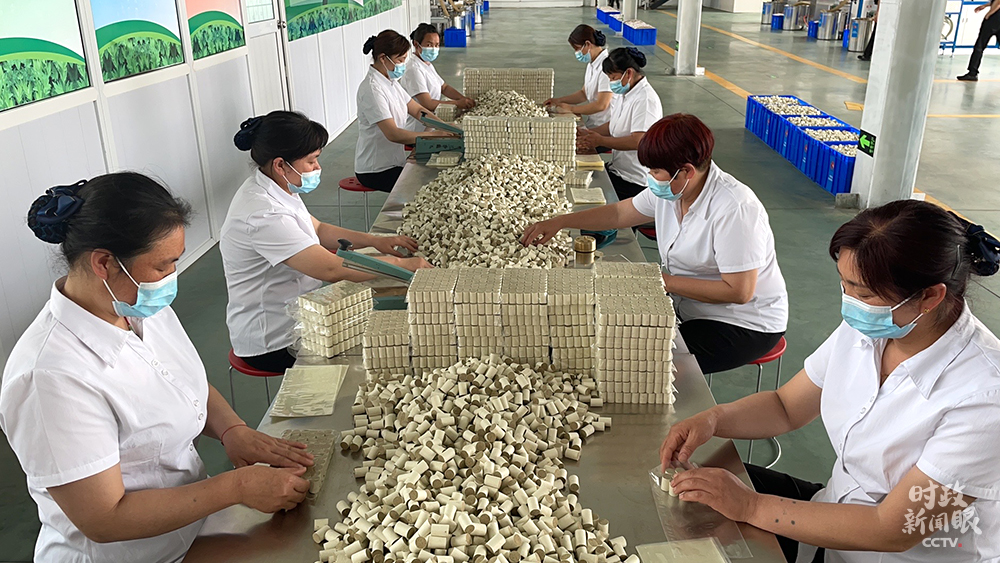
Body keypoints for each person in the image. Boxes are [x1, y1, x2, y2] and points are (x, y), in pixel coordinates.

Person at [660, 200, 1000, 563]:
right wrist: (714, 419)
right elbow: (786, 406)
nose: (850, 303)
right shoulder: (872, 328)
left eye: (863, 294)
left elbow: (894, 528)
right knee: (686, 492)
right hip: (835, 508)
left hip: (896, 552)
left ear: (930, 296)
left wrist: (750, 506)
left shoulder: (984, 396)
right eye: (844, 285)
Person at [1, 174, 315, 562]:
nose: (170, 279)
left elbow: (184, 383)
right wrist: (235, 487)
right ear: (104, 263)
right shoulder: (49, 377)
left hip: (190, 526)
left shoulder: (137, 305)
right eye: (163, 266)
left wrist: (232, 430)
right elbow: (105, 519)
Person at [524, 114, 787, 374]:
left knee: (637, 363)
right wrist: (561, 221)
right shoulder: (674, 190)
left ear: (687, 171)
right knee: (608, 335)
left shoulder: (735, 208)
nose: (650, 177)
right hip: (689, 304)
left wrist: (663, 282)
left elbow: (739, 292)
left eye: (655, 171)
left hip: (741, 323)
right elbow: (620, 214)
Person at [224, 111, 431, 372]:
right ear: (280, 165)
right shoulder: (262, 214)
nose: (317, 168)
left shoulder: (277, 186)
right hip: (276, 338)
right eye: (311, 161)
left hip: (301, 311)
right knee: (389, 347)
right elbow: (331, 269)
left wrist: (376, 241)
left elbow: (319, 229)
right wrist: (402, 265)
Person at [355, 29, 453, 192]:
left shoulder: (391, 82)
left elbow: (417, 110)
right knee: (430, 187)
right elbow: (393, 134)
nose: (402, 65)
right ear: (383, 58)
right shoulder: (372, 89)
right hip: (376, 169)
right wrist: (432, 136)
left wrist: (444, 126)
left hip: (393, 161)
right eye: (399, 60)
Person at [576, 47, 663, 202]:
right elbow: (614, 124)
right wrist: (588, 132)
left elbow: (638, 141)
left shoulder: (645, 100)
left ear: (628, 73)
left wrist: (600, 141)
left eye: (613, 78)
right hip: (618, 169)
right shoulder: (626, 93)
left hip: (634, 180)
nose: (611, 83)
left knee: (586, 193)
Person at [400, 22, 475, 132]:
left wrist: (462, 99)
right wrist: (457, 104)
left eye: (437, 45)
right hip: (417, 128)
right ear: (416, 44)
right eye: (429, 45)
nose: (434, 49)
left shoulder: (426, 64)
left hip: (430, 123)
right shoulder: (413, 70)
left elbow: (444, 87)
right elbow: (427, 103)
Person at [544, 25, 614, 129]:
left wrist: (571, 109)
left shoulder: (606, 67)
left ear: (588, 44)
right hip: (594, 122)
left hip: (605, 126)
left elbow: (602, 105)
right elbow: (583, 93)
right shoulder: (592, 63)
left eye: (577, 49)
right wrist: (558, 100)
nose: (577, 53)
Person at [958, 0, 1000, 81]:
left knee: (979, 46)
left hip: (994, 18)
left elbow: (998, 2)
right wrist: (986, 5)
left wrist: (989, 14)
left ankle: (972, 73)